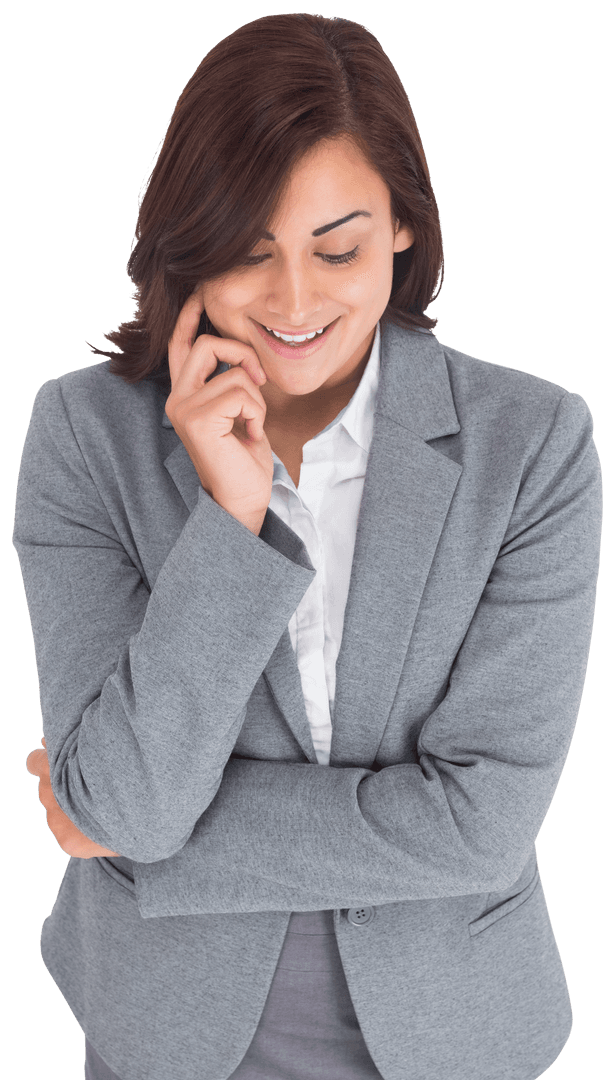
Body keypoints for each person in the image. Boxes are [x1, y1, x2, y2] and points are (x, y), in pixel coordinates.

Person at [17, 12, 602, 1080]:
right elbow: (130, 803)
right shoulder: (82, 436)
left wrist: (146, 840)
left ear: (403, 231)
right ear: (189, 247)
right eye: (249, 251)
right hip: (166, 1030)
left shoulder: (536, 446)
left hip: (456, 1031)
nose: (293, 302)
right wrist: (232, 516)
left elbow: (479, 824)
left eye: (337, 246)